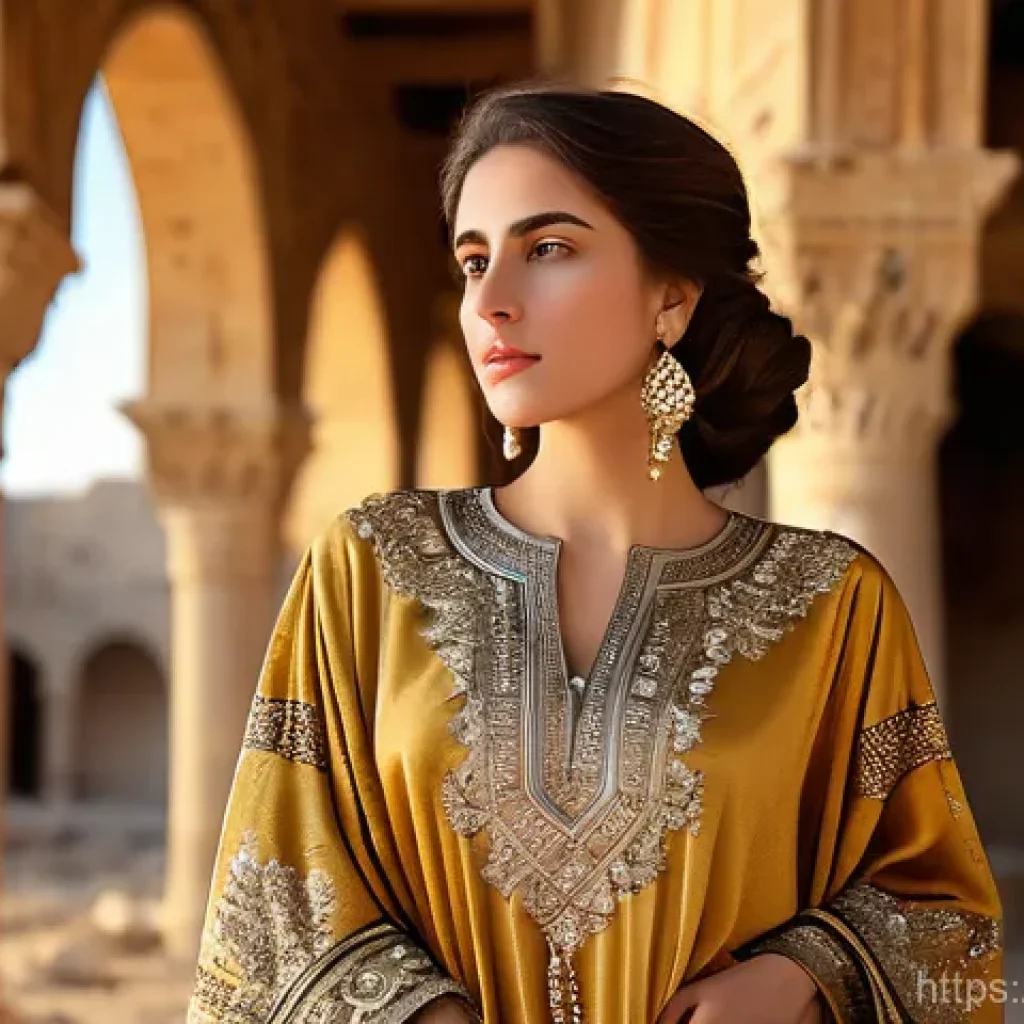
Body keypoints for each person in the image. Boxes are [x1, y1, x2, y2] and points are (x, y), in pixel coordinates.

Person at [185, 83, 1004, 1024]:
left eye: (548, 250)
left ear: (672, 296)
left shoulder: (833, 604)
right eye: (472, 260)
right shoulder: (369, 570)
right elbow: (269, 898)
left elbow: (947, 915)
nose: (492, 301)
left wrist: (803, 976)